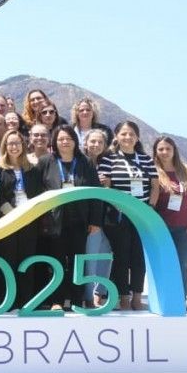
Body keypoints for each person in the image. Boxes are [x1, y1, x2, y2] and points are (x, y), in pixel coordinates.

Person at [30, 126, 101, 309]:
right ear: (55, 142)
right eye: (61, 139)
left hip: (80, 221)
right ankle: (57, 300)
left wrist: (95, 221)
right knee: (57, 261)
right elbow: (36, 191)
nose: (65, 142)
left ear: (75, 141)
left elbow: (96, 192)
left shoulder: (86, 162)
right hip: (54, 222)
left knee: (78, 261)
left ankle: (77, 300)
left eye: (68, 138)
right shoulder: (45, 162)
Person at [96, 120, 156, 311]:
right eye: (123, 133)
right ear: (116, 136)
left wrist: (149, 209)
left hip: (141, 216)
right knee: (121, 257)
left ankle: (137, 296)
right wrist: (120, 205)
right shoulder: (109, 159)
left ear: (137, 137)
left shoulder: (146, 160)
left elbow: (154, 186)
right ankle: (123, 297)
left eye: (131, 134)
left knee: (139, 257)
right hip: (118, 216)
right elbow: (105, 187)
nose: (127, 137)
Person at [150, 135, 187, 300]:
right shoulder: (153, 172)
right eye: (161, 149)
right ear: (156, 152)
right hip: (160, 228)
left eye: (168, 149)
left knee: (182, 265)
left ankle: (181, 300)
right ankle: (164, 300)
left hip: (185, 228)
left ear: (174, 151)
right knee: (162, 264)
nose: (164, 152)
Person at [0, 130, 40, 308]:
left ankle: (25, 301)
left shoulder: (32, 169)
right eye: (10, 143)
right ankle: (7, 302)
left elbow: (38, 193)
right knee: (7, 260)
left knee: (26, 261)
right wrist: (11, 213)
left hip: (28, 220)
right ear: (5, 146)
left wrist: (29, 213)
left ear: (23, 146)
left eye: (17, 143)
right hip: (7, 220)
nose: (14, 147)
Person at [80, 127, 113, 305]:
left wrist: (108, 184)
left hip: (106, 216)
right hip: (88, 217)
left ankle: (99, 293)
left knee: (105, 253)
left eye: (100, 142)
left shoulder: (108, 163)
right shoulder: (80, 162)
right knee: (90, 256)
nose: (96, 144)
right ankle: (89, 296)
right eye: (93, 141)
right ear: (85, 143)